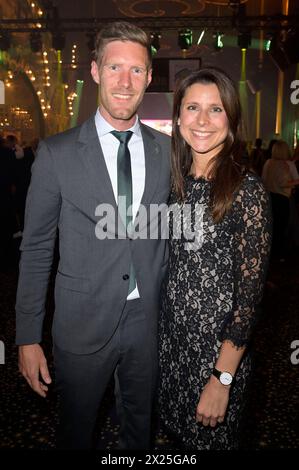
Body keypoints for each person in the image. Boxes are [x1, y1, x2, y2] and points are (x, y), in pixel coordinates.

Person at [16, 21, 170, 450]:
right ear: (96, 71)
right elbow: (36, 250)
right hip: (80, 323)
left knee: (140, 432)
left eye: (136, 70)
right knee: (76, 431)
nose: (125, 81)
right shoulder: (57, 153)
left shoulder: (166, 151)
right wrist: (28, 336)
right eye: (115, 67)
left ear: (149, 77)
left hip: (146, 322)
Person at [158, 67, 271, 450]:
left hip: (216, 360)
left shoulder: (246, 191)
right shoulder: (172, 184)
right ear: (178, 117)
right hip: (171, 351)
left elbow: (248, 303)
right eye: (193, 107)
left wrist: (222, 378)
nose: (202, 121)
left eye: (216, 109)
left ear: (231, 120)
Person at [262, 140, 298, 260]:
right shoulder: (287, 164)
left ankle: (269, 255)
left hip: (269, 197)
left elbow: (263, 179)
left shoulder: (268, 162)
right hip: (282, 199)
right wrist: (293, 183)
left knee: (271, 227)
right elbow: (287, 182)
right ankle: (279, 255)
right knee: (282, 227)